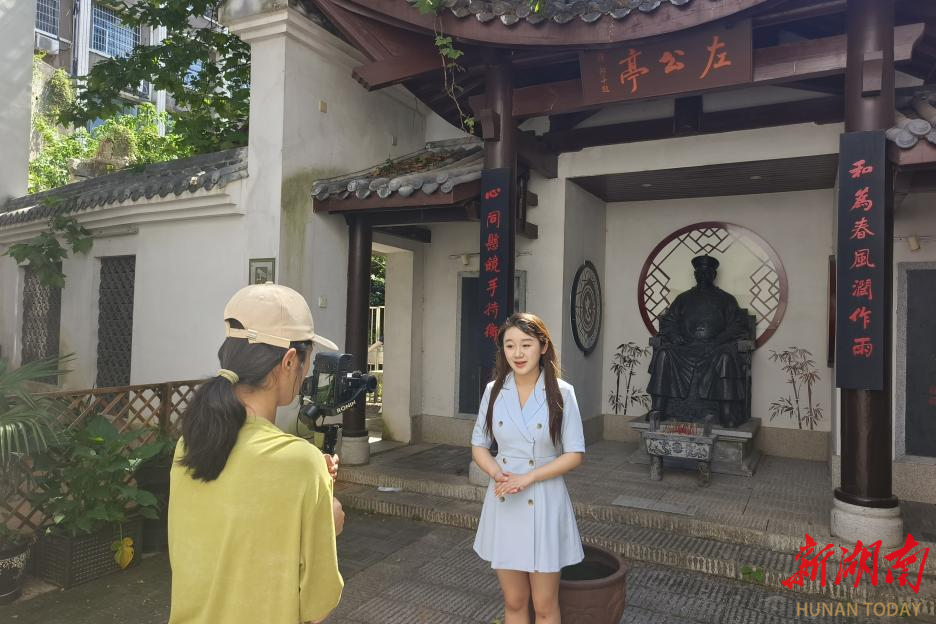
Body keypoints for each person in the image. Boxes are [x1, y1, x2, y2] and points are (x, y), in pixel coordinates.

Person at [168, 283, 345, 624]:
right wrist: (328, 523)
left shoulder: (191, 443)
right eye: (307, 359)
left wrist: (311, 488)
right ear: (289, 361)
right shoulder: (300, 462)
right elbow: (317, 606)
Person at [471, 312, 586, 624]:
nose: (518, 353)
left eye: (526, 344)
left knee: (545, 604)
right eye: (510, 345)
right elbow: (479, 444)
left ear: (543, 346)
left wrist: (530, 477)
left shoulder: (562, 392)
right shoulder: (494, 390)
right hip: (505, 497)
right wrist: (496, 473)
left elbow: (574, 454)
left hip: (545, 498)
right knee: (514, 601)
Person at [646, 254, 749, 427]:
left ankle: (726, 411)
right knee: (664, 353)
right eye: (700, 272)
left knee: (726, 357)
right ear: (695, 274)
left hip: (715, 347)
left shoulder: (726, 299)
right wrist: (674, 335)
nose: (703, 275)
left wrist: (718, 340)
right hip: (686, 347)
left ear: (714, 275)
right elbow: (669, 322)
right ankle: (659, 408)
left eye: (707, 272)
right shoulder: (683, 298)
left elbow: (738, 325)